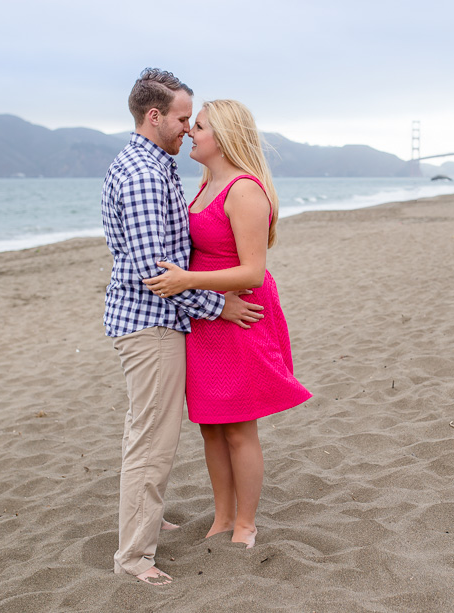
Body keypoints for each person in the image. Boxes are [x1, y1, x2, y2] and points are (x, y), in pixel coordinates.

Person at [101, 69, 264, 586]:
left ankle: (144, 519)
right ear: (155, 116)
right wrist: (219, 307)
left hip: (151, 322)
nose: (187, 128)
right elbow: (157, 272)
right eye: (181, 118)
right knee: (152, 442)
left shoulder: (149, 164)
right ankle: (134, 558)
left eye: (194, 121)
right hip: (151, 325)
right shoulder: (149, 174)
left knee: (144, 433)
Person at [143, 99, 311, 548]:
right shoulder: (203, 185)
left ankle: (246, 524)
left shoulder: (244, 190)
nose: (189, 133)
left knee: (239, 426)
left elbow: (253, 271)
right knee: (211, 424)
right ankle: (221, 517)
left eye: (197, 126)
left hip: (240, 313)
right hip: (208, 315)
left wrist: (186, 281)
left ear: (223, 136)